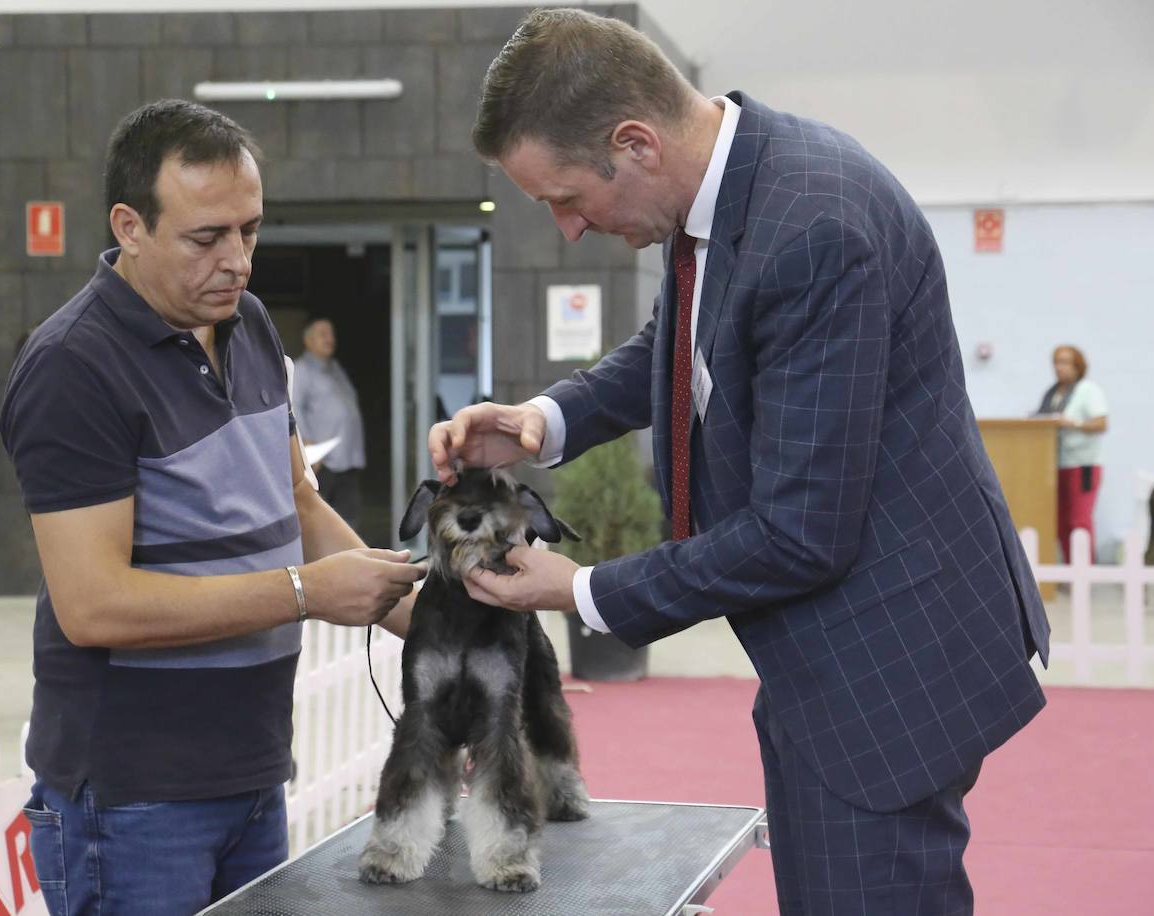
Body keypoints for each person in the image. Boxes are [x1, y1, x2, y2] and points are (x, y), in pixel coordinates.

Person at [428, 10, 1051, 913]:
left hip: (886, 671)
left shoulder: (815, 229)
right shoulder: (725, 192)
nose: (567, 228)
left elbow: (801, 535)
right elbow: (675, 347)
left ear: (634, 143)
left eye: (564, 198)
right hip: (831, 656)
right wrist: (540, 418)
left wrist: (581, 589)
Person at [0, 99, 424, 915]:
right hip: (133, 800)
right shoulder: (72, 369)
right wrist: (305, 593)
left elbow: (296, 498)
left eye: (250, 231)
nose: (237, 261)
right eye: (206, 238)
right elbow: (93, 606)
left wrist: (433, 618)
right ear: (129, 224)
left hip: (253, 771)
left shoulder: (249, 324)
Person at [291, 317, 366, 530]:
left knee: (349, 520)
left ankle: (352, 562)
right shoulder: (302, 370)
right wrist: (307, 445)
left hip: (347, 458)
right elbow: (293, 407)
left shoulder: (335, 368)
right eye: (323, 334)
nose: (330, 339)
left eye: (331, 334)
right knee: (322, 524)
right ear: (308, 341)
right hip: (322, 461)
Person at [1036, 344, 1108, 563]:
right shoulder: (1053, 393)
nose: (1059, 367)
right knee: (1062, 522)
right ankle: (1071, 572)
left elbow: (1101, 423)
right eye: (1056, 362)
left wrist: (1071, 423)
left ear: (1078, 366)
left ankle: (1084, 571)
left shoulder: (1088, 390)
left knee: (1079, 520)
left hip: (1082, 465)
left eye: (1065, 362)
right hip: (1058, 465)